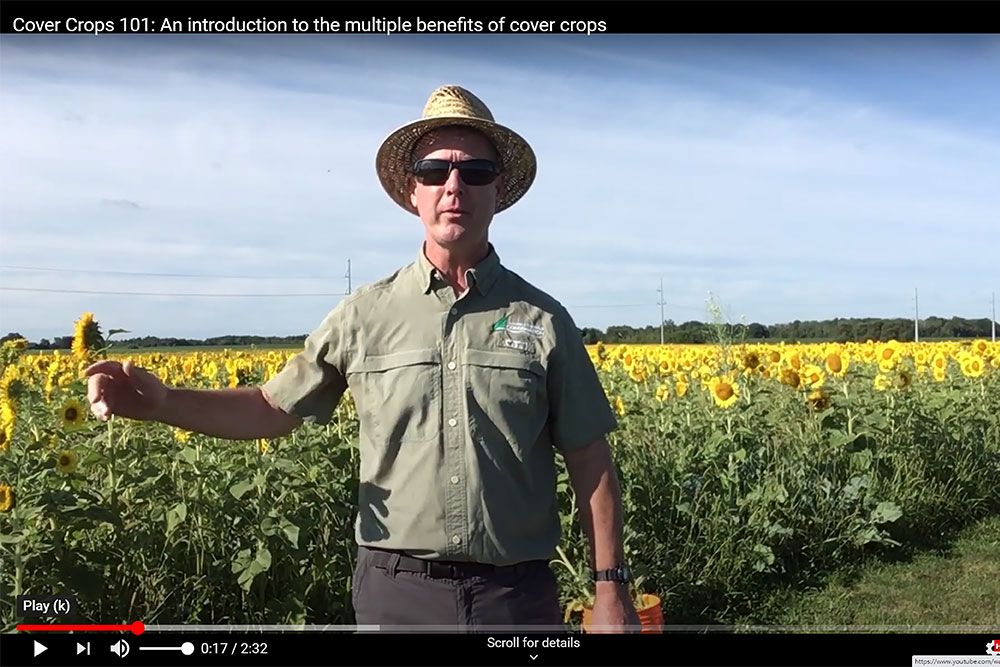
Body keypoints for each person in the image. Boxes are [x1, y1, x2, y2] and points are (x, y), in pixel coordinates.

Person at [85, 84, 640, 633]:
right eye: (433, 171)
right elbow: (270, 408)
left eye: (475, 172)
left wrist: (610, 589)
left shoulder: (543, 320)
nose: (454, 186)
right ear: (411, 191)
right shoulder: (364, 315)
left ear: (497, 191)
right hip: (397, 593)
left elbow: (589, 460)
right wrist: (162, 403)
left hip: (515, 597)